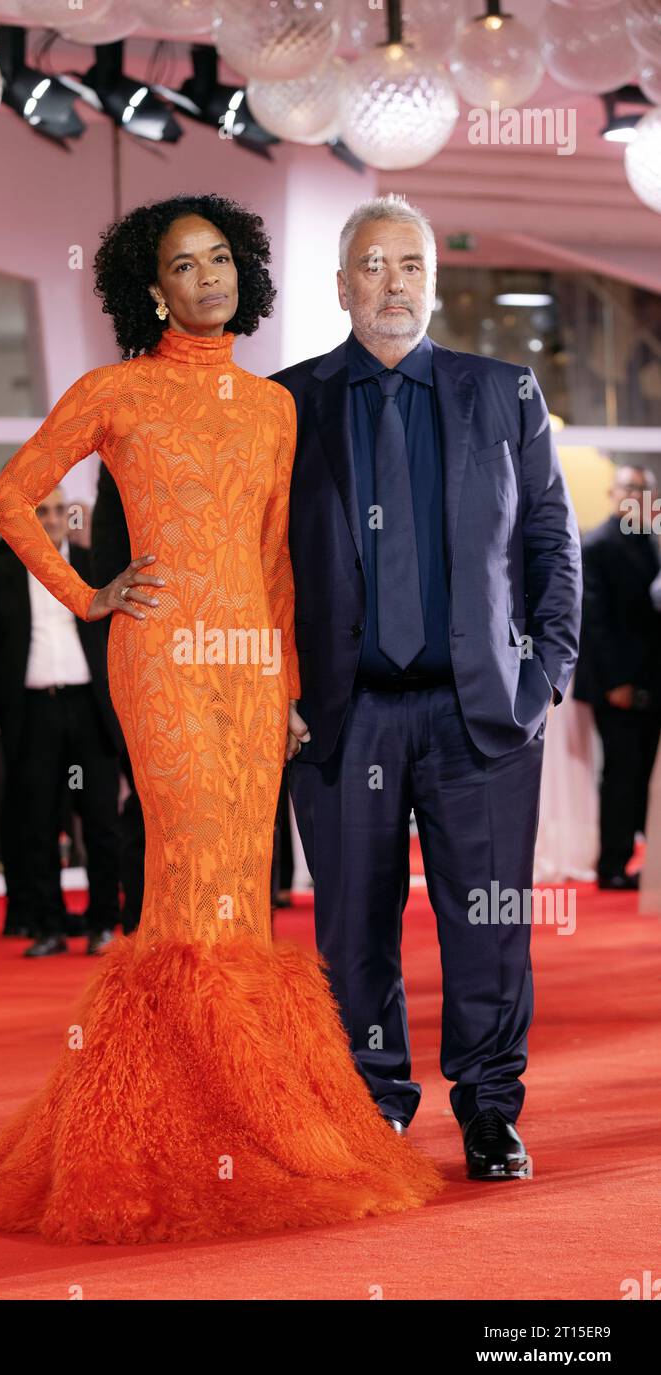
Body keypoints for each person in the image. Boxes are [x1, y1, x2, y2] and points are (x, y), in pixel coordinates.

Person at [0, 194, 443, 1245]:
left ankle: (233, 1112)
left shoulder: (274, 407)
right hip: (162, 660)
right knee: (187, 870)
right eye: (184, 266)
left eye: (221, 259)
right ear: (150, 290)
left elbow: (280, 558)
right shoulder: (113, 391)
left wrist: (284, 685)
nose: (209, 278)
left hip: (248, 670)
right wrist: (88, 592)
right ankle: (158, 1124)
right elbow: (12, 496)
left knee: (240, 890)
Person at [274, 194, 582, 1180]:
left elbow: (549, 539)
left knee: (489, 925)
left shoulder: (505, 392)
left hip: (478, 713)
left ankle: (491, 1113)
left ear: (432, 281)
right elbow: (254, 563)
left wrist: (546, 678)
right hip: (342, 713)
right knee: (351, 930)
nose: (392, 282)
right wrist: (269, 687)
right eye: (372, 264)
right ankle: (376, 1106)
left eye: (409, 263)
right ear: (340, 286)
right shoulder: (288, 406)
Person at [0, 486, 124, 956]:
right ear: (26, 516)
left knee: (101, 820)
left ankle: (104, 922)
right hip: (33, 711)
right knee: (38, 823)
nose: (55, 518)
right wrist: (7, 710)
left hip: (88, 708)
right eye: (43, 510)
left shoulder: (90, 567)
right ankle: (49, 925)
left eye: (61, 510)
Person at [573, 466, 661, 889]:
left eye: (646, 489)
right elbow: (594, 623)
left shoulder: (650, 542)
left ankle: (636, 857)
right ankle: (612, 865)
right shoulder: (598, 544)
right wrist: (616, 682)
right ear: (613, 492)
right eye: (632, 487)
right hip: (619, 686)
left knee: (642, 774)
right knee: (622, 774)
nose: (639, 495)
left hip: (651, 682)